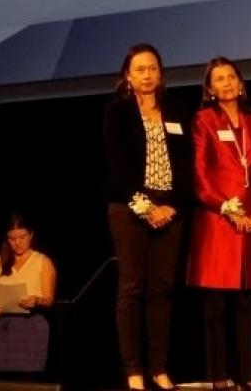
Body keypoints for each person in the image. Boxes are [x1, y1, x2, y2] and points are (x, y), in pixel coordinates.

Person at [103, 43, 191, 391]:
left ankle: (159, 367)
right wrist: (145, 206)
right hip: (129, 208)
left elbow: (186, 166)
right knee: (131, 288)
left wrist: (172, 206)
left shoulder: (177, 111)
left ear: (161, 73)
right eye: (140, 69)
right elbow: (118, 166)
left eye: (153, 68)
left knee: (161, 290)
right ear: (128, 75)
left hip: (170, 209)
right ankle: (133, 370)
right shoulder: (117, 111)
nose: (147, 75)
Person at [187, 57, 251, 391]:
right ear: (210, 88)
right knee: (216, 308)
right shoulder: (203, 120)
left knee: (247, 305)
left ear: (241, 83)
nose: (226, 83)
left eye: (231, 77)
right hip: (218, 223)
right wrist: (225, 207)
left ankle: (247, 376)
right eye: (218, 79)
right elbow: (199, 174)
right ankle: (219, 377)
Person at [0, 213, 57, 374]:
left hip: (31, 327)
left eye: (22, 237)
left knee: (27, 378)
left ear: (31, 235)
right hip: (1, 327)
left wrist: (37, 301)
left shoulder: (42, 262)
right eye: (12, 238)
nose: (17, 243)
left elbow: (49, 299)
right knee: (0, 378)